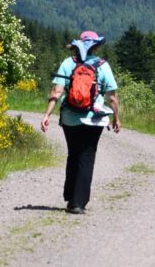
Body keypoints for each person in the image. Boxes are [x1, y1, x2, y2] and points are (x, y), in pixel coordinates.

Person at [41, 31, 121, 214]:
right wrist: (116, 117)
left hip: (70, 118)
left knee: (73, 154)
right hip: (94, 119)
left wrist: (47, 115)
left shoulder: (68, 63)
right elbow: (112, 97)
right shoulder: (102, 65)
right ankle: (78, 202)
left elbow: (56, 92)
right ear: (96, 46)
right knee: (87, 156)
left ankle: (70, 196)